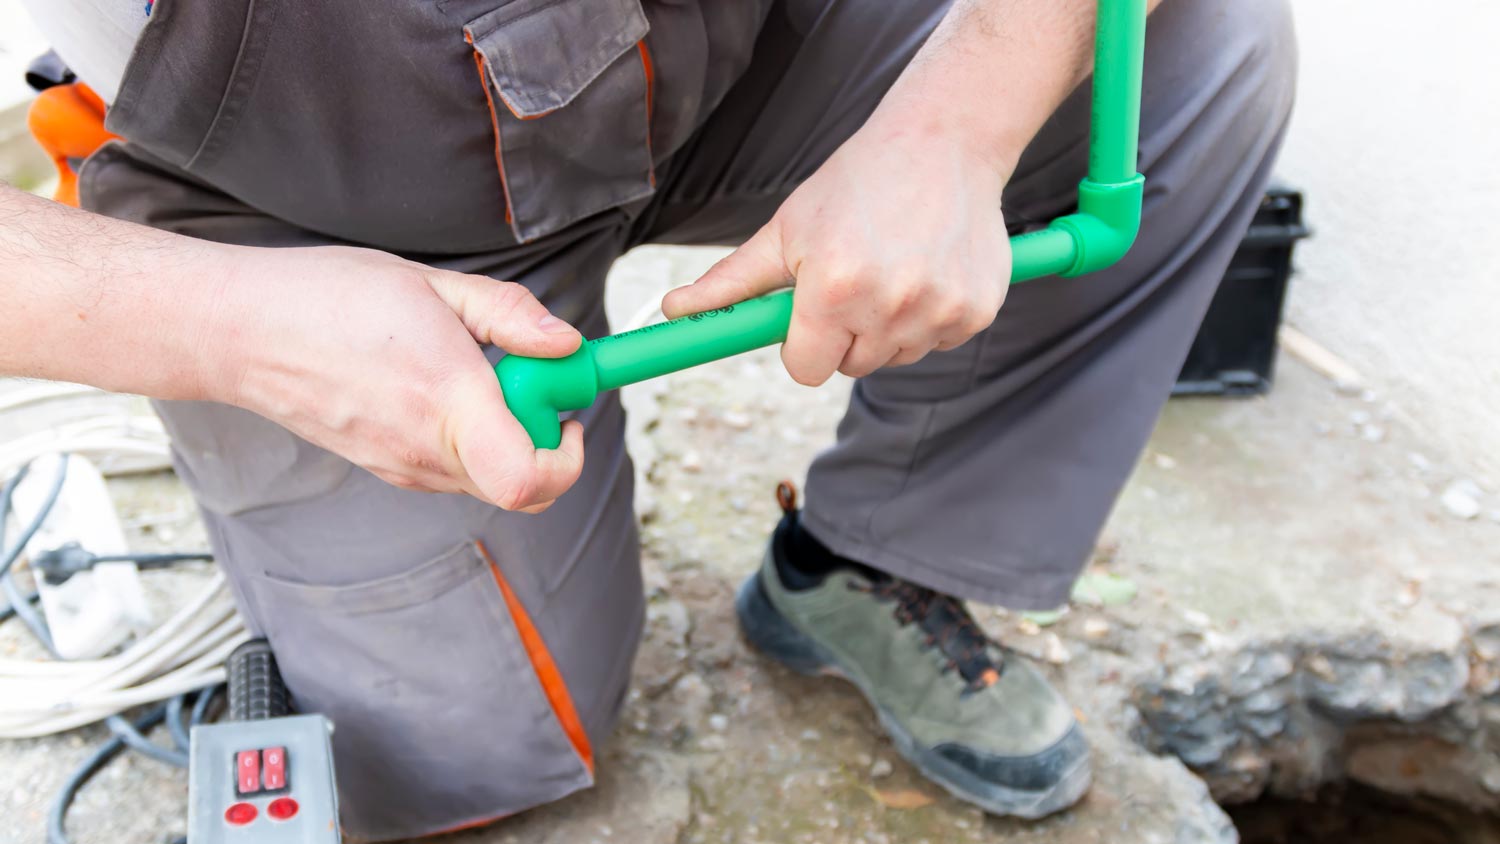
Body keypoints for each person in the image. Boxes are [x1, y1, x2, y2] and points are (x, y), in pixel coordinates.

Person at [2, 0, 1296, 837]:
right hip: (307, 194)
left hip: (732, 49)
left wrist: (960, 128)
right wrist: (243, 330)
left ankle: (867, 560)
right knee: (464, 754)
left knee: (1195, 54)